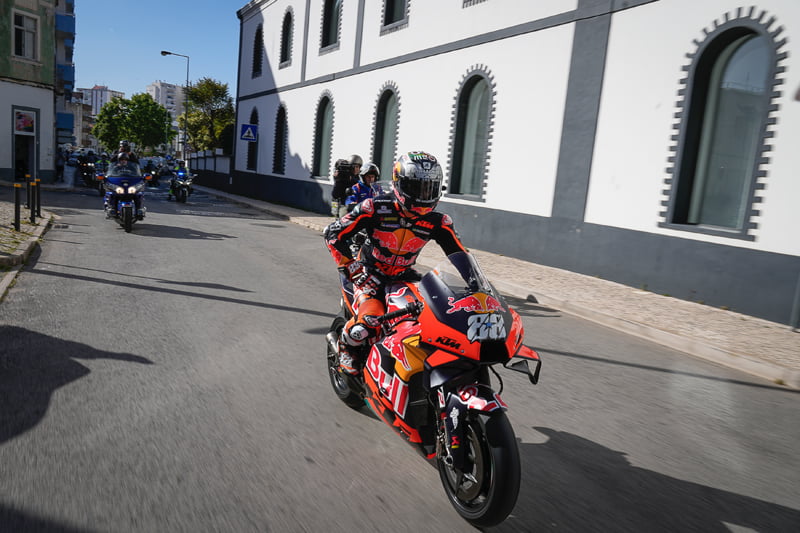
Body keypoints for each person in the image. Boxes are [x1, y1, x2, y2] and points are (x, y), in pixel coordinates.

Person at [323, 151, 468, 375]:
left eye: (429, 188)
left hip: (404, 277)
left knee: (431, 322)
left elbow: (461, 256)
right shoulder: (374, 207)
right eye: (417, 188)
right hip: (368, 275)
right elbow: (332, 234)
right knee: (367, 324)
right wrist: (353, 269)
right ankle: (345, 346)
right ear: (400, 184)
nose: (424, 195)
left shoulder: (439, 222)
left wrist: (477, 287)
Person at [105, 152, 146, 219]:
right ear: (119, 160)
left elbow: (137, 174)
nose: (123, 161)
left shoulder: (132, 167)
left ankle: (139, 210)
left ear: (127, 160)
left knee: (138, 194)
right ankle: (112, 209)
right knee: (112, 194)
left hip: (130, 184)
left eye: (125, 159)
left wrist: (143, 178)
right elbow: (110, 174)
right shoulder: (115, 168)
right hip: (119, 185)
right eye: (121, 160)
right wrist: (106, 178)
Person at [331, 154, 363, 218]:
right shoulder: (342, 177)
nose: (357, 169)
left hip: (356, 206)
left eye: (358, 167)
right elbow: (335, 194)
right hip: (344, 205)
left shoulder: (359, 178)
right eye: (355, 167)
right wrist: (338, 181)